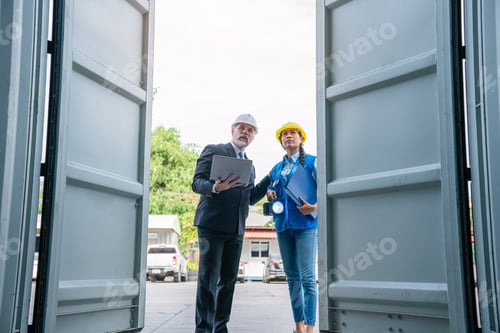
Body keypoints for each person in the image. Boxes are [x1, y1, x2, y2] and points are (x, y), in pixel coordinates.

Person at [191, 113, 270, 333]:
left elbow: (249, 198)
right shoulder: (214, 150)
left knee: (227, 283)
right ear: (232, 130)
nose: (245, 132)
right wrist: (216, 187)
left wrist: (268, 181)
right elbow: (197, 183)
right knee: (208, 281)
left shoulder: (250, 167)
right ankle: (204, 330)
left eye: (250, 130)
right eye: (241, 127)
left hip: (236, 229)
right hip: (212, 226)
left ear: (254, 136)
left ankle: (220, 328)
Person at [266, 122, 318, 333]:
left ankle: (309, 329)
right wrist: (270, 193)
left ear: (301, 139)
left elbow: (325, 188)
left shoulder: (313, 162)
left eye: (292, 133)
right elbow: (272, 190)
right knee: (292, 280)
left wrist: (315, 207)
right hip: (283, 227)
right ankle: (298, 326)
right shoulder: (276, 168)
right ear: (281, 141)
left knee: (307, 278)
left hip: (306, 226)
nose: (288, 136)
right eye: (284, 134)